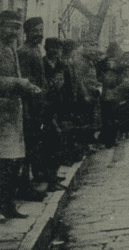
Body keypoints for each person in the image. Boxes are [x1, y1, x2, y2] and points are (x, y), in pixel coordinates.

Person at [0, 10, 42, 218]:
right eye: (11, 26)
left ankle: (7, 205)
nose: (15, 31)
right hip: (1, 114)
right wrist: (19, 83)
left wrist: (27, 88)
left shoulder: (11, 49)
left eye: (17, 27)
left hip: (11, 112)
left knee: (12, 161)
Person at [17, 16, 48, 201]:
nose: (39, 34)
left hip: (37, 104)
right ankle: (23, 186)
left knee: (33, 144)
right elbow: (26, 83)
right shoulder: (24, 52)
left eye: (41, 30)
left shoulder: (36, 50)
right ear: (27, 32)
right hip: (28, 105)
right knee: (26, 147)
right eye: (35, 30)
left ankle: (28, 183)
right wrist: (28, 109)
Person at [42, 37, 70, 191]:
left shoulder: (62, 65)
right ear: (46, 48)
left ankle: (53, 174)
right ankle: (50, 179)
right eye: (52, 47)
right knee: (50, 143)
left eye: (58, 48)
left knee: (59, 143)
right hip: (46, 108)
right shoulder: (42, 63)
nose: (55, 51)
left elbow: (67, 88)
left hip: (59, 107)